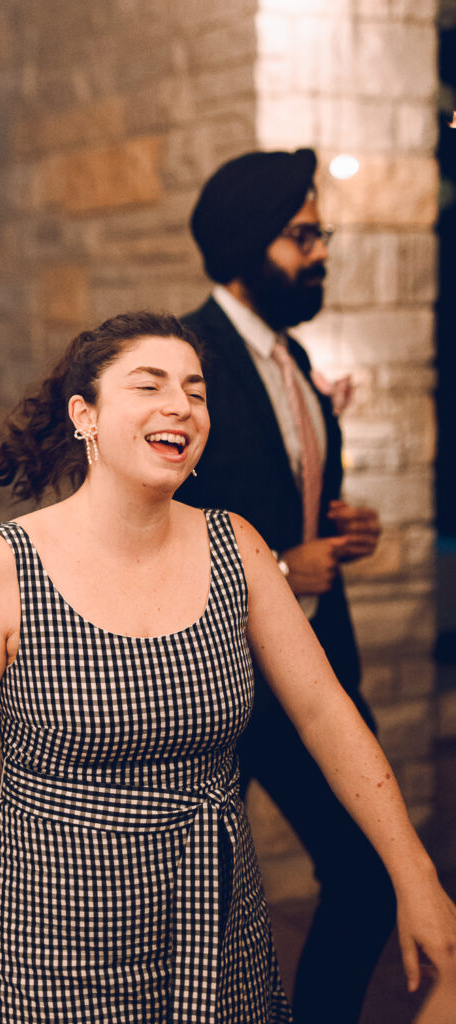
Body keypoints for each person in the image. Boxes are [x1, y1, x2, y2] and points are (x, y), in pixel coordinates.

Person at [0, 311, 456, 1024]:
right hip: (47, 943)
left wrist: (413, 875)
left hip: (216, 934)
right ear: (84, 415)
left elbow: (325, 713)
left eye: (195, 390)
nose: (180, 405)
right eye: (148, 385)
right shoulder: (2, 568)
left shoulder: (235, 548)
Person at [176, 148, 400, 1022]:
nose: (320, 251)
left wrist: (338, 526)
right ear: (244, 244)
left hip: (313, 670)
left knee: (369, 871)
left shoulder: (295, 360)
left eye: (319, 233)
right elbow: (154, 527)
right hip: (217, 679)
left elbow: (280, 492)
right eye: (301, 235)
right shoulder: (186, 360)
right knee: (205, 910)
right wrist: (273, 569)